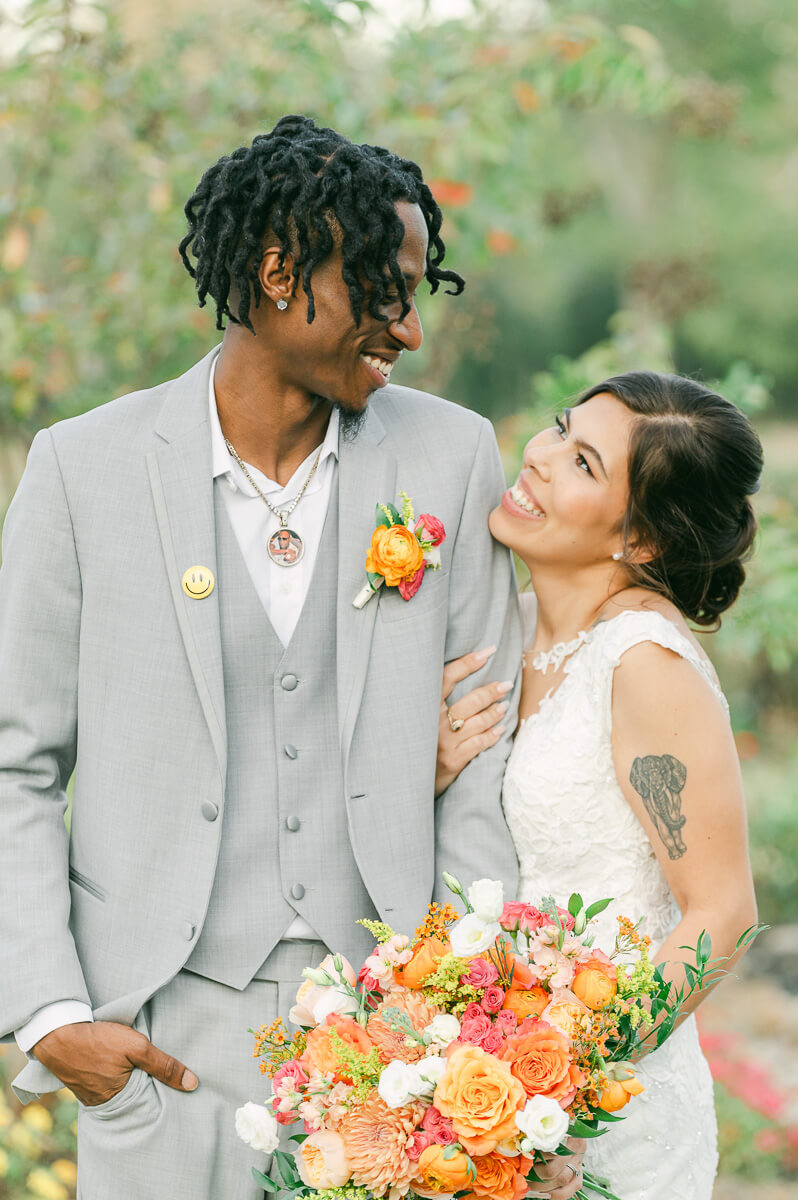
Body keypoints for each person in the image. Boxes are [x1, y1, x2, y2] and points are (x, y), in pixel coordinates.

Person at [0, 116, 584, 1200]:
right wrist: (52, 1017)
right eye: (383, 290)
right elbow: (12, 761)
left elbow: (485, 746)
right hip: (158, 1042)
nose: (407, 330)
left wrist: (454, 1015)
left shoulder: (449, 456)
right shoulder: (84, 470)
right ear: (278, 274)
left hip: (391, 1043)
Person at [436, 371, 762, 1199]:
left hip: (609, 1121)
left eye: (583, 463)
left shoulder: (645, 666)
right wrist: (435, 772)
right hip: (478, 1102)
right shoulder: (499, 628)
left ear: (642, 540)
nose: (539, 457)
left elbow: (723, 914)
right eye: (557, 428)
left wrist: (566, 1095)